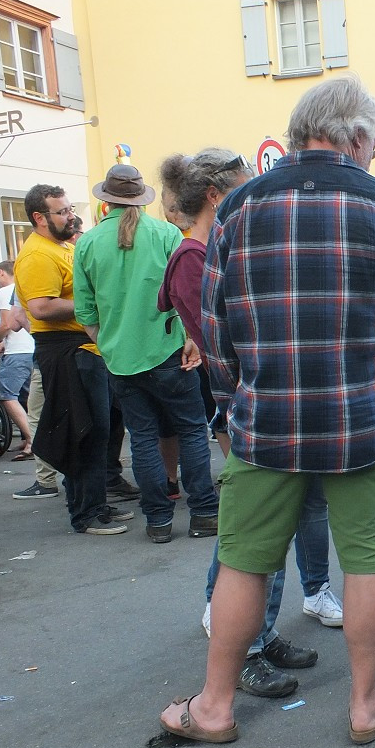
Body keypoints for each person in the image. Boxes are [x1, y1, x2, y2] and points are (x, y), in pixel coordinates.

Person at [160, 75, 375, 745]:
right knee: (369, 565)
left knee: (245, 562)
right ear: (359, 137)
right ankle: (364, 705)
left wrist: (238, 402)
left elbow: (217, 332)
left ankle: (215, 709)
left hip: (265, 426)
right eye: (373, 146)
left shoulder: (236, 210)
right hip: (364, 427)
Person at [158, 148, 338, 697]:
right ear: (217, 195)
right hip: (250, 409)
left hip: (258, 405)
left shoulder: (214, 248)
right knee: (248, 540)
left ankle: (257, 634)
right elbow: (224, 338)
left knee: (260, 533)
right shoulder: (197, 256)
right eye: (243, 187)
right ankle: (245, 645)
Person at [74, 165, 220, 544]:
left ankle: (157, 520)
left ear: (105, 200)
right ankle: (204, 512)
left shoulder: (88, 243)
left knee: (142, 438)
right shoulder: (167, 233)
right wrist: (192, 337)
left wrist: (107, 344)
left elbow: (85, 311)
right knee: (191, 431)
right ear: (141, 197)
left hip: (121, 359)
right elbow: (187, 291)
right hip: (170, 349)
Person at [13, 184, 131, 535]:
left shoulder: (60, 247)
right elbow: (41, 306)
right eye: (62, 211)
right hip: (66, 351)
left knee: (98, 429)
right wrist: (95, 305)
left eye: (69, 209)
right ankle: (86, 513)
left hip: (85, 349)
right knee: (85, 430)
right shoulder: (37, 255)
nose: (71, 215)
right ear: (40, 217)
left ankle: (95, 503)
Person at [0, 261, 35, 460]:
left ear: (0, 273)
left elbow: (7, 324)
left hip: (16, 353)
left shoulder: (5, 292)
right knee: (28, 396)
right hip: (31, 348)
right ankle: (28, 437)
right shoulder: (23, 287)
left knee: (7, 395)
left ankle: (32, 440)